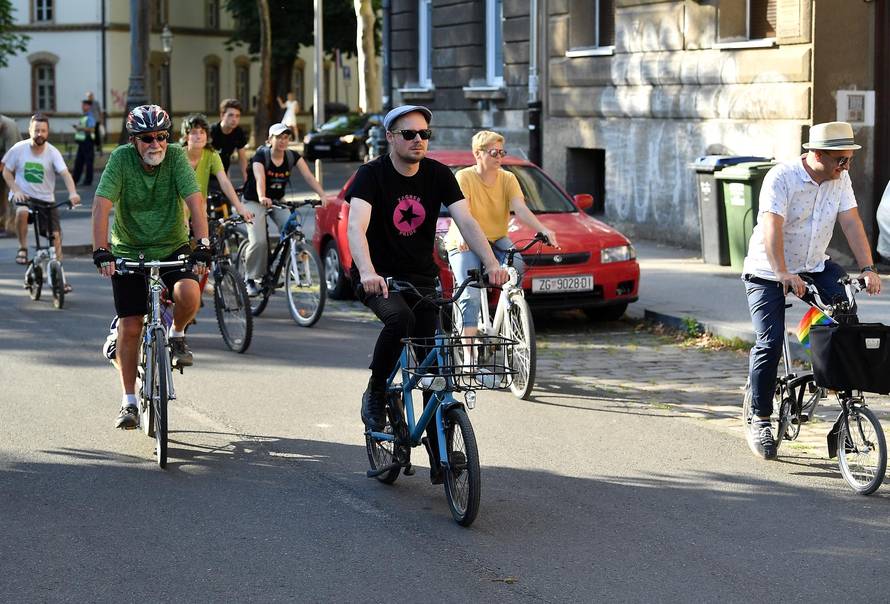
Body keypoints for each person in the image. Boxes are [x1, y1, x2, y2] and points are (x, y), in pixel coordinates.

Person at [345, 104, 508, 483]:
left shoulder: (437, 174)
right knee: (398, 319)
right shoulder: (371, 175)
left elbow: (466, 220)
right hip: (379, 277)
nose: (418, 140)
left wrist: (491, 262)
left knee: (434, 370)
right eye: (409, 134)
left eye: (424, 134)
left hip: (421, 278)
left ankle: (440, 458)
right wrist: (367, 272)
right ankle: (376, 392)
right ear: (390, 137)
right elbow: (356, 226)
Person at [742, 121, 881, 460]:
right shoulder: (782, 178)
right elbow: (772, 226)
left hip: (815, 266)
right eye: (841, 160)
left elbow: (851, 222)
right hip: (768, 270)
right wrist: (782, 272)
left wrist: (868, 268)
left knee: (846, 322)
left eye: (849, 160)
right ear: (817, 154)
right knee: (770, 342)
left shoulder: (840, 179)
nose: (846, 167)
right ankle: (761, 417)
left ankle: (843, 403)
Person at [91, 104, 211, 430]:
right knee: (131, 326)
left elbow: (195, 202)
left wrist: (202, 245)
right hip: (129, 250)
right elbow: (101, 206)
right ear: (134, 140)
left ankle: (177, 333)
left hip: (172, 245)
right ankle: (129, 400)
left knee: (189, 293)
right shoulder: (121, 160)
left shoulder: (176, 157)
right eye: (147, 138)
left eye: (161, 136)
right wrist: (101, 250)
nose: (155, 144)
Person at [444, 130, 558, 337]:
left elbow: (520, 208)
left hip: (496, 238)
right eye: (493, 152)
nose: (499, 157)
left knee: (517, 264)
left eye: (502, 152)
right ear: (477, 154)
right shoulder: (464, 177)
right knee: (470, 293)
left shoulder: (508, 178)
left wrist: (542, 229)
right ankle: (469, 353)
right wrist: (462, 234)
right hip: (466, 240)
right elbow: (463, 213)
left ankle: (510, 310)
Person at [241, 122, 331, 296]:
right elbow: (260, 179)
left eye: (286, 137)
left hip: (277, 200)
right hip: (254, 200)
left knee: (293, 230)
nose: (283, 141)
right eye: (278, 137)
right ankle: (250, 278)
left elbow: (308, 176)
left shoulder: (291, 156)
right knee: (259, 241)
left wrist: (322, 195)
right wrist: (262, 196)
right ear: (269, 140)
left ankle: (290, 265)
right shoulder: (261, 156)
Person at [2, 114, 81, 287]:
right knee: (22, 212)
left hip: (46, 199)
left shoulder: (52, 152)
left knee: (56, 237)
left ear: (48, 132)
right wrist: (16, 190)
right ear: (30, 130)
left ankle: (60, 277)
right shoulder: (19, 149)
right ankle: (23, 248)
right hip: (24, 196)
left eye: (43, 131)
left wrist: (73, 193)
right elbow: (6, 172)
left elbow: (65, 174)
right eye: (36, 130)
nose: (40, 134)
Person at [180, 113, 254, 222]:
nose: (199, 136)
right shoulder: (178, 156)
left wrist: (239, 207)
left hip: (200, 209)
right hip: (178, 210)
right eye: (194, 133)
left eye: (202, 132)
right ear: (186, 136)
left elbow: (224, 181)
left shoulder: (211, 155)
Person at [209, 98, 249, 186]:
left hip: (223, 174)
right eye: (231, 115)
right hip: (206, 173)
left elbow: (242, 158)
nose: (234, 119)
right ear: (222, 115)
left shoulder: (238, 132)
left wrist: (247, 180)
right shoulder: (211, 131)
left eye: (237, 116)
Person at [0, 112, 22, 234]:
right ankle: (1, 223)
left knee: (11, 194)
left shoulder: (9, 127)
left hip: (15, 161)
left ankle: (12, 226)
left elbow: (11, 157)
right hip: (1, 159)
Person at [71, 98, 97, 186]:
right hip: (82, 141)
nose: (82, 107)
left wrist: (79, 128)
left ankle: (88, 180)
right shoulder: (84, 116)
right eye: (82, 105)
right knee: (79, 161)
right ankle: (74, 180)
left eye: (84, 105)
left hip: (88, 141)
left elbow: (91, 129)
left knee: (88, 161)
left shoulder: (90, 116)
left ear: (88, 106)